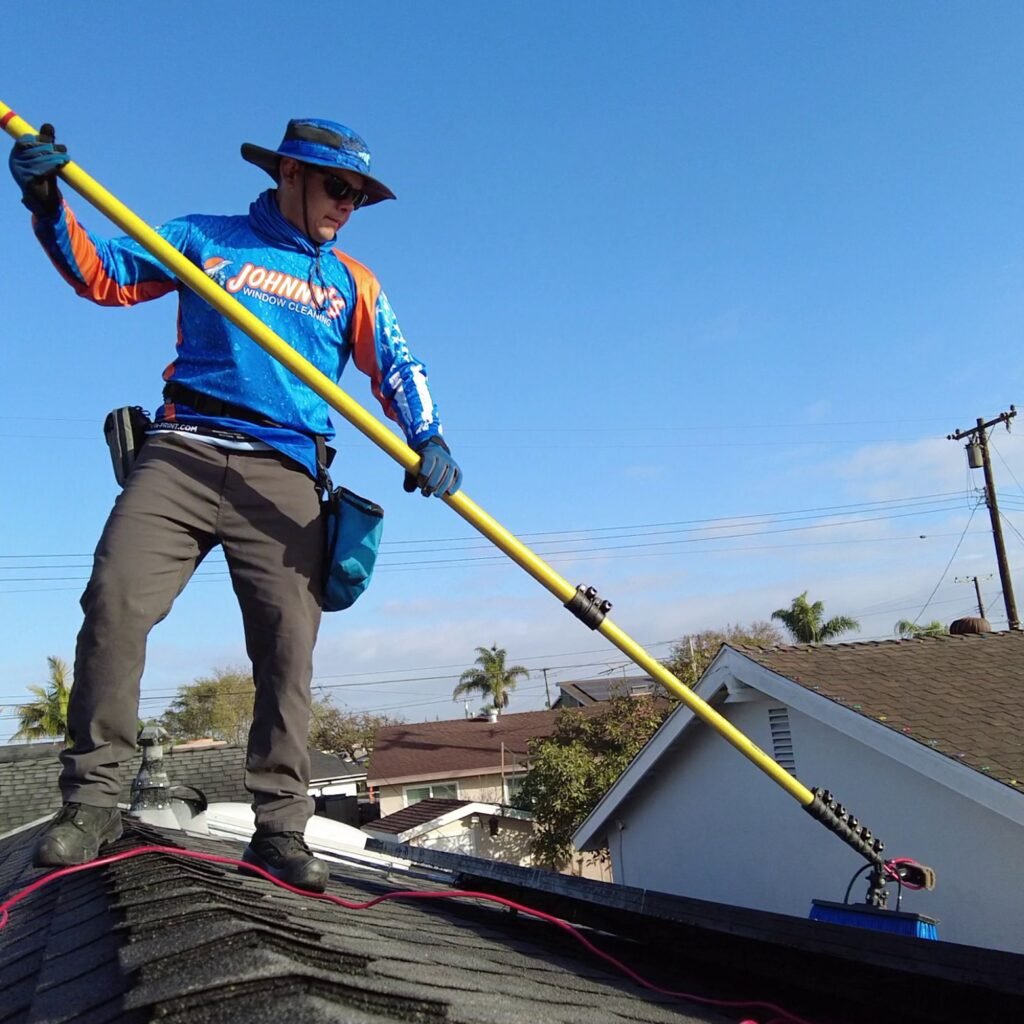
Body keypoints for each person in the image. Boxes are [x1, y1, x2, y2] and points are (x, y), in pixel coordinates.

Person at [9, 117, 461, 893]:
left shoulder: (353, 281)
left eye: (359, 195)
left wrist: (430, 436)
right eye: (337, 186)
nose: (347, 205)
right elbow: (105, 276)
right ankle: (91, 803)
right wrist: (49, 202)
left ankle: (280, 829)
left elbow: (397, 362)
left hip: (285, 472)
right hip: (183, 450)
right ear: (289, 175)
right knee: (114, 602)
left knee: (288, 649)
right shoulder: (202, 237)